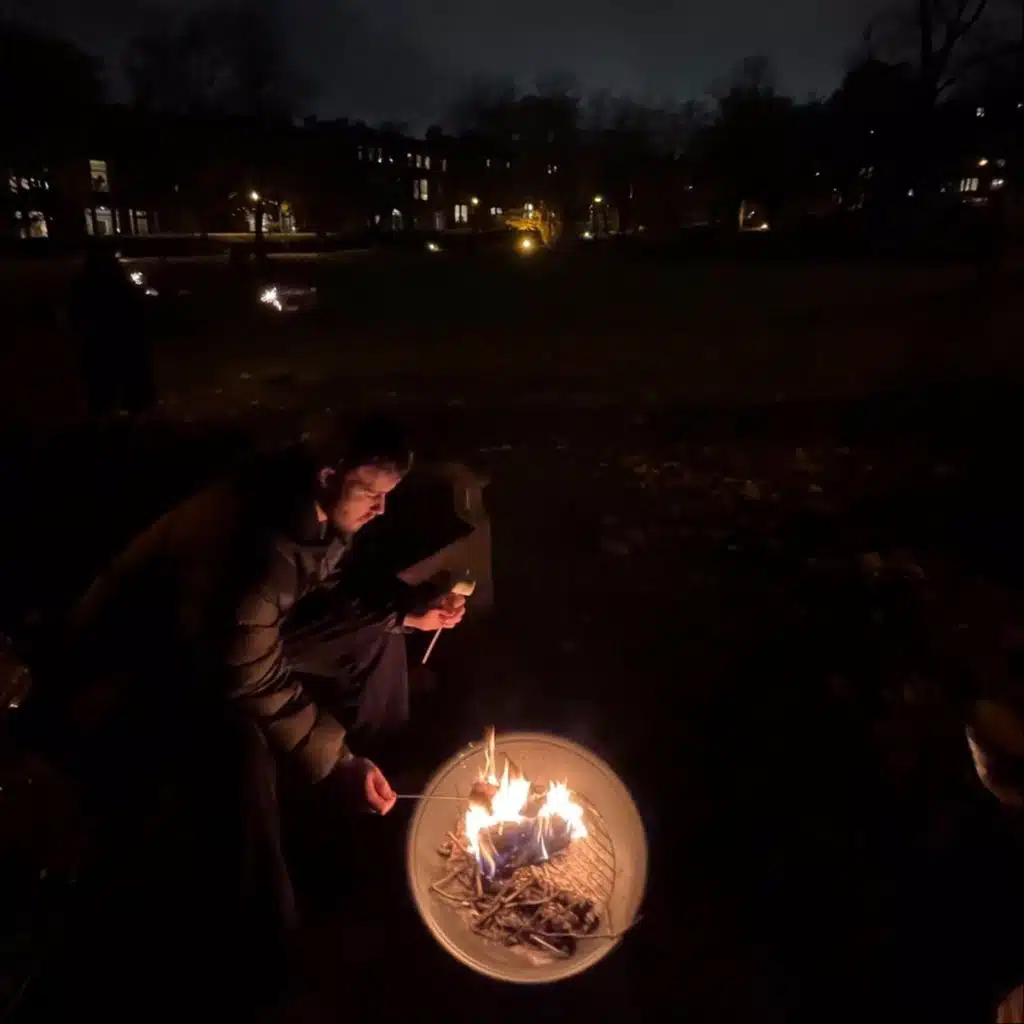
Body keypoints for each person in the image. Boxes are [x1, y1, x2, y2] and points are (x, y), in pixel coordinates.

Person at [37, 417, 466, 1000]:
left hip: (224, 637)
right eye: (371, 493)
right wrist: (336, 763)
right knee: (242, 755)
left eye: (387, 495)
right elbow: (251, 673)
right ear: (329, 475)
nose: (380, 509)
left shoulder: (309, 504)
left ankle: (375, 789)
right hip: (137, 674)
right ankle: (268, 955)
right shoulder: (248, 551)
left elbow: (310, 592)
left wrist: (403, 611)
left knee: (377, 632)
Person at [68, 245, 154, 416]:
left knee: (102, 386)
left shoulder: (85, 286)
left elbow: (76, 316)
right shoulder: (118, 286)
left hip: (99, 344)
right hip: (116, 342)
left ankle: (105, 414)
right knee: (118, 382)